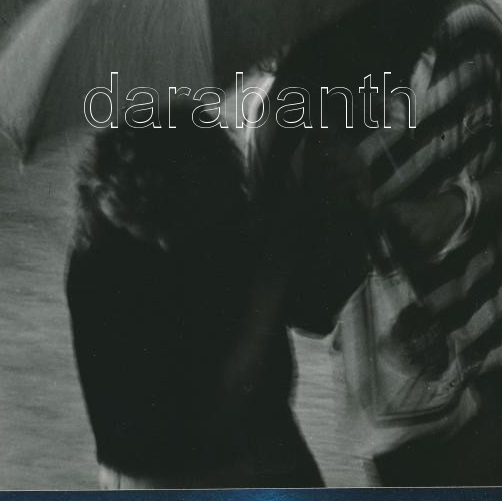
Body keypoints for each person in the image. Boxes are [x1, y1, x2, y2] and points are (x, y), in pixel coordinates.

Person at [246, 0, 502, 486]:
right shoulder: (286, 123)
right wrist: (332, 217)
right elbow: (306, 312)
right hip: (416, 421)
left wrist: (461, 204)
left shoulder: (470, 31)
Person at [65, 108, 323, 489]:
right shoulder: (135, 267)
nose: (166, 241)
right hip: (198, 472)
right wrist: (270, 286)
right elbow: (220, 403)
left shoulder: (96, 248)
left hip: (144, 472)